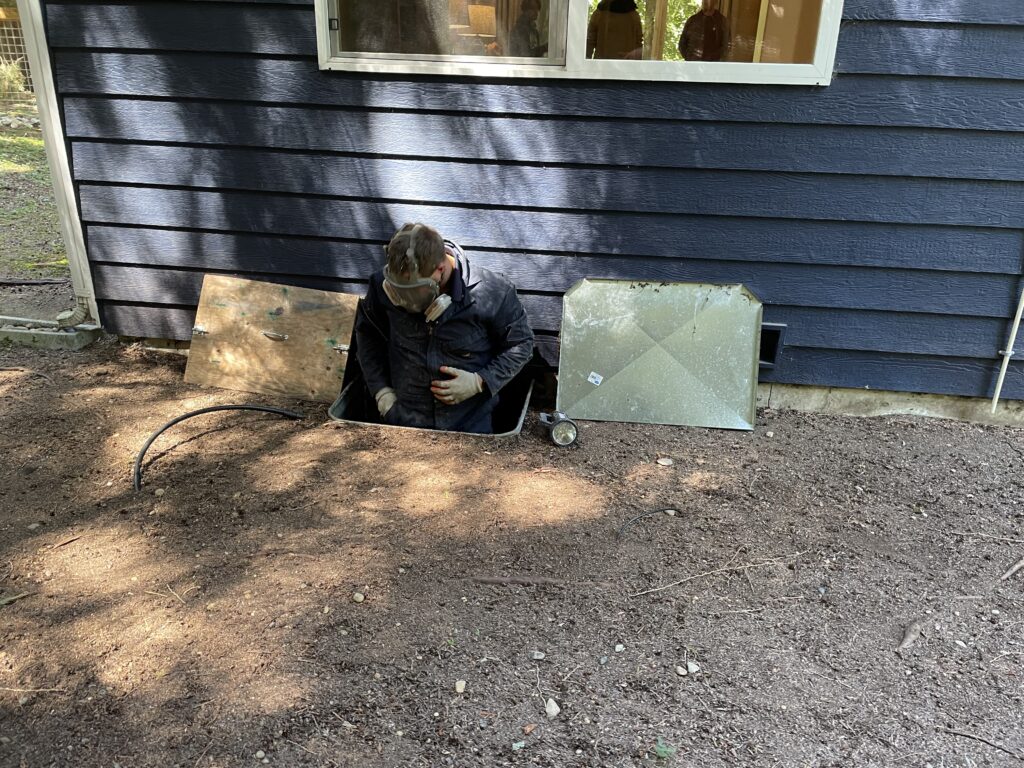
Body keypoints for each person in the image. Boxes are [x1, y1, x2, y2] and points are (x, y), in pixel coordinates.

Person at [354, 223, 535, 434]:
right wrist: (381, 392)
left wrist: (480, 381)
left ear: (441, 268)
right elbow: (367, 335)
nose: (406, 300)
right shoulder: (381, 286)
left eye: (415, 291)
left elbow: (522, 344)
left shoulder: (494, 292)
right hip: (402, 423)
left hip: (470, 428)